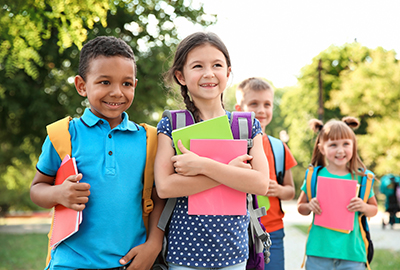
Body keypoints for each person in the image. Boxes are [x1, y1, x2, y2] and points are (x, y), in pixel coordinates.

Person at [30, 36, 164, 270]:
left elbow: (159, 196)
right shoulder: (63, 134)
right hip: (70, 263)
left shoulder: (150, 139)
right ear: (82, 85)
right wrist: (59, 193)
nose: (117, 92)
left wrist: (154, 243)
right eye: (104, 82)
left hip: (130, 261)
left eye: (126, 83)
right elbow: (37, 189)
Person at [154, 32, 270, 269]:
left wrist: (203, 166)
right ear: (181, 76)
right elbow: (165, 187)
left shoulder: (246, 126)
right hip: (183, 255)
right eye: (197, 66)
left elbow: (260, 183)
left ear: (228, 73)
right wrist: (231, 173)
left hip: (234, 254)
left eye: (217, 65)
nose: (208, 73)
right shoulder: (172, 124)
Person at [297, 117, 378, 270]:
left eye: (346, 144)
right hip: (318, 254)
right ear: (322, 148)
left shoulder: (362, 179)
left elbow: (373, 209)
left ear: (353, 146)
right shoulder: (314, 176)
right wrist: (309, 205)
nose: (340, 151)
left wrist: (363, 207)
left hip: (352, 255)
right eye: (333, 145)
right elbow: (301, 207)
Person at [235, 77, 297, 270]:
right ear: (239, 109)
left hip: (272, 231)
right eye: (254, 104)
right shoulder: (232, 144)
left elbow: (291, 192)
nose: (261, 110)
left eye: (267, 104)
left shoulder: (279, 147)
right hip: (238, 230)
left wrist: (278, 189)